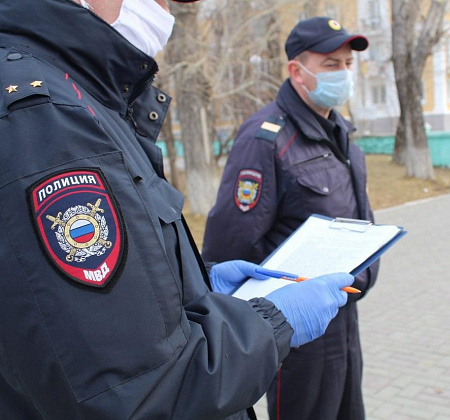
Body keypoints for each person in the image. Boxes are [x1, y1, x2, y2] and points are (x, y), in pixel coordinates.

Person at [0, 1, 355, 419]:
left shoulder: (78, 95)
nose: (163, 11)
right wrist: (275, 321)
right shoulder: (48, 113)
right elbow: (143, 392)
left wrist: (199, 286)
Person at [203, 17, 379, 420]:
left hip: (342, 313)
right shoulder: (266, 138)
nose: (344, 74)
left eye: (348, 64)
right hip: (295, 327)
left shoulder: (339, 131)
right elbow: (231, 246)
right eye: (331, 64)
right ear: (297, 72)